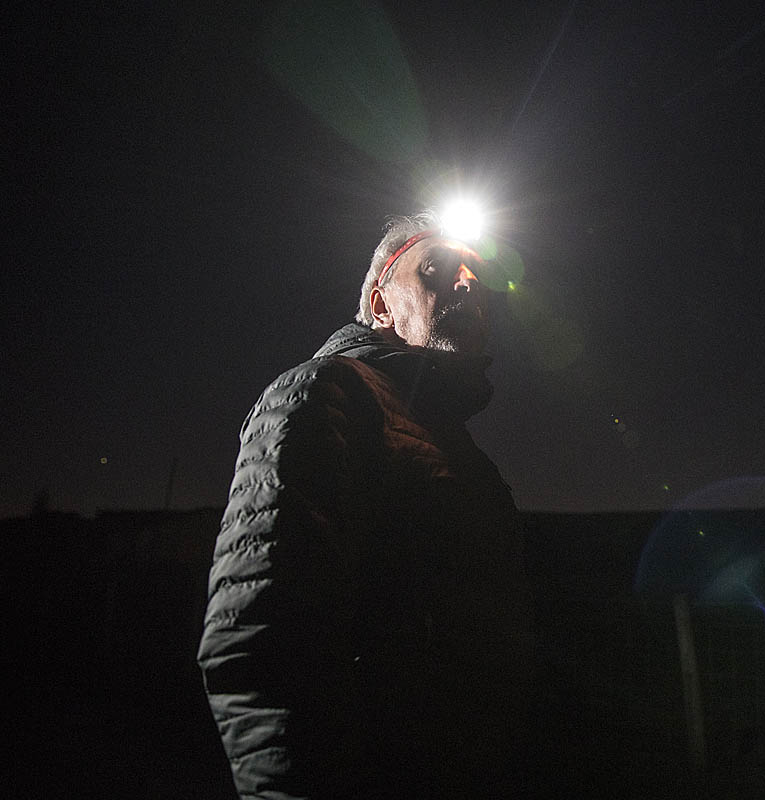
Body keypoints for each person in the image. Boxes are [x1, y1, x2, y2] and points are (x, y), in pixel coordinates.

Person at [197, 212, 537, 798]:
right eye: (436, 268)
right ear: (380, 305)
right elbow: (260, 636)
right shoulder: (325, 393)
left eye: (477, 274)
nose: (467, 283)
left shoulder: (461, 448)